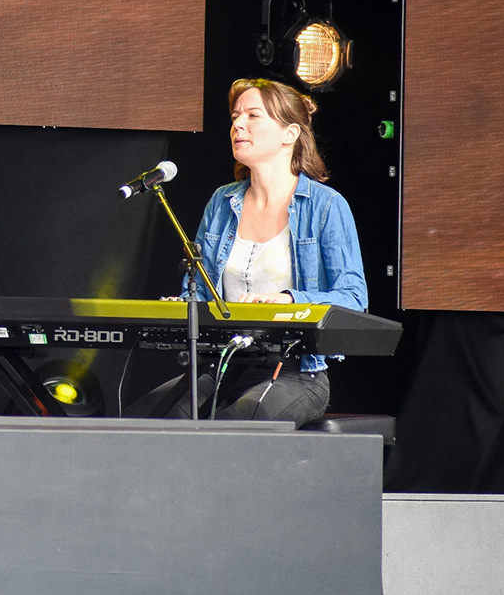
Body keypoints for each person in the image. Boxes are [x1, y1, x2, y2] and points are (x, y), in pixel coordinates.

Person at [156, 77, 366, 421]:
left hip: (296, 373)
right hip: (222, 366)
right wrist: (183, 306)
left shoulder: (327, 206)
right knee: (149, 419)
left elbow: (354, 298)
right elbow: (199, 290)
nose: (238, 125)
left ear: (290, 134)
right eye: (236, 116)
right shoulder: (221, 202)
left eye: (253, 116)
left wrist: (290, 299)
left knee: (239, 422)